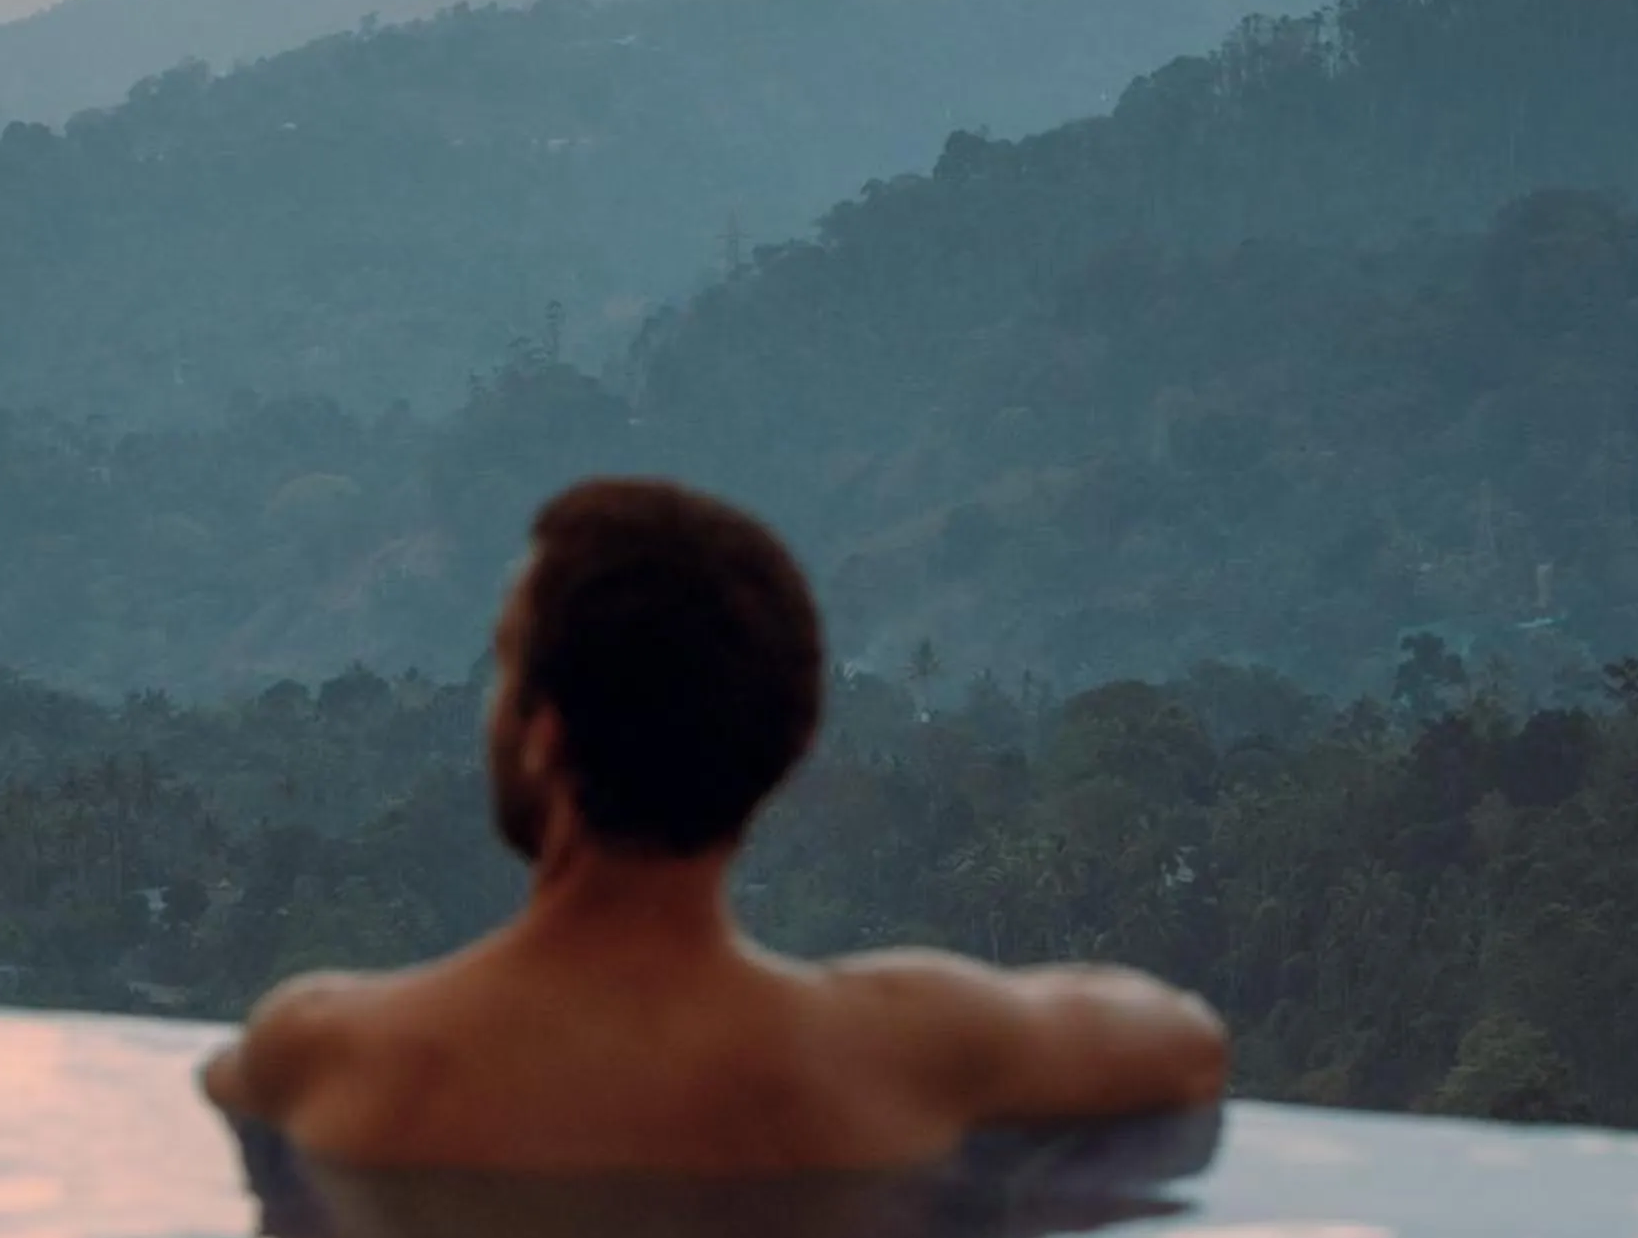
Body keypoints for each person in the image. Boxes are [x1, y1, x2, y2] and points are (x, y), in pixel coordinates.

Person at [202, 478, 1226, 1173]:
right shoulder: (907, 1051)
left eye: (504, 669)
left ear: (545, 736)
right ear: (783, 745)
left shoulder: (330, 1050)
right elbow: (1183, 1045)